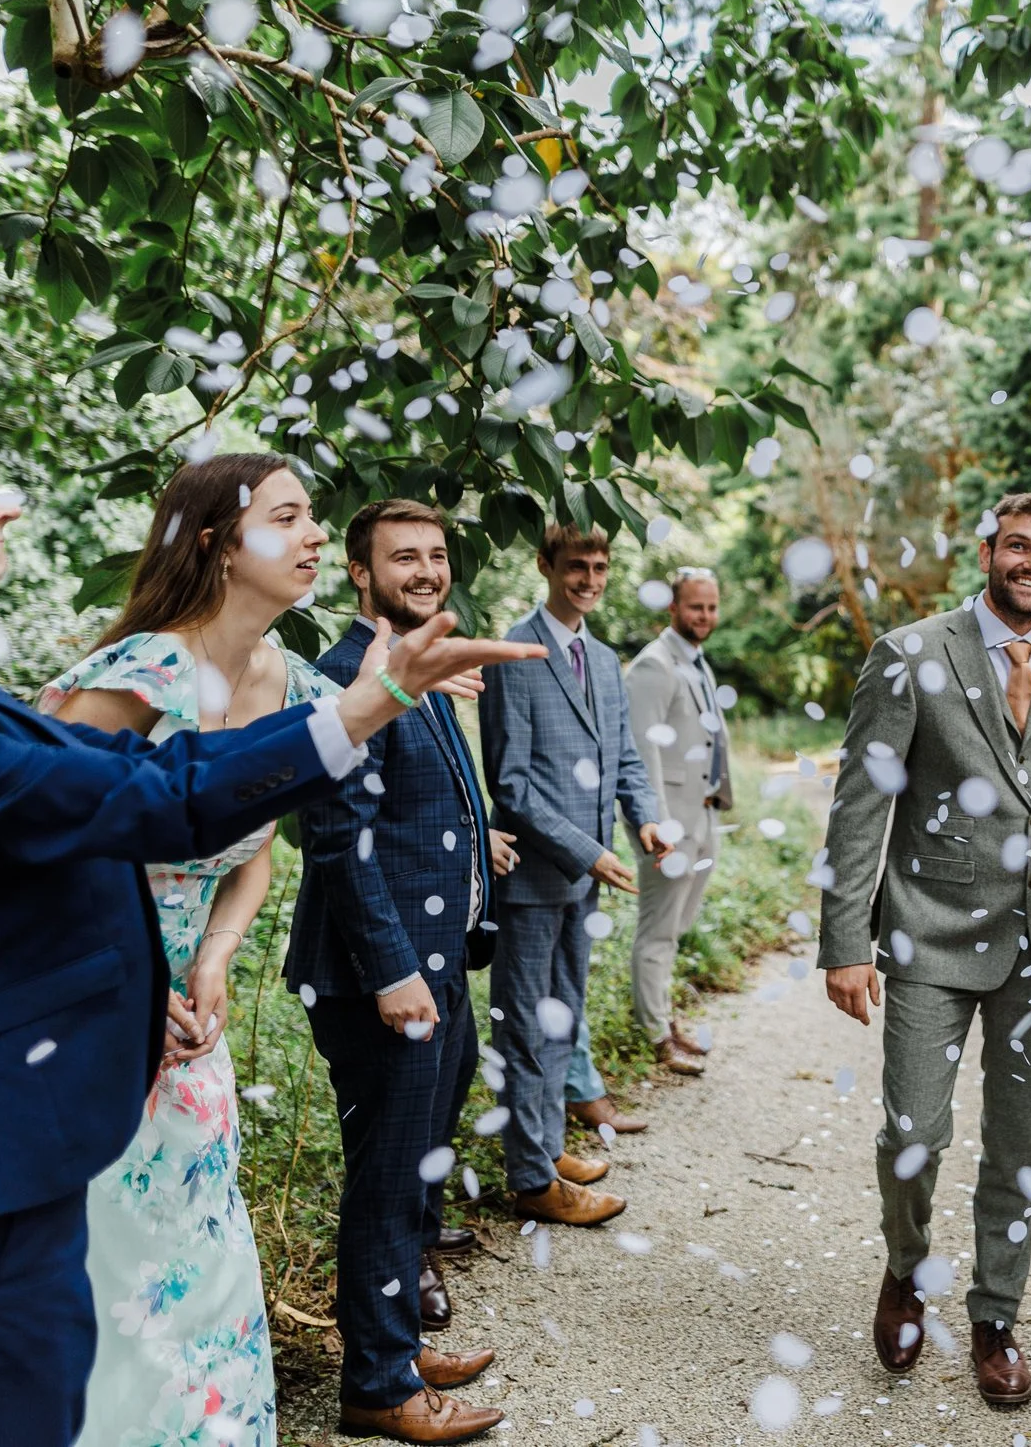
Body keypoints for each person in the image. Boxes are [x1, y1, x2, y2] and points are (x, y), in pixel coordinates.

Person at [0, 399, 535, 1447]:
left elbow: (109, 817)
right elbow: (139, 798)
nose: (4, 503)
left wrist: (196, 963)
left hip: (24, 1124)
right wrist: (364, 706)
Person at [33, 455, 348, 1446]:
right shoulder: (137, 677)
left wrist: (210, 960)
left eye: (315, 518)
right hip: (85, 1015)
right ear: (214, 541)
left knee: (206, 1280)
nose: (314, 536)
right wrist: (136, 977)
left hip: (192, 1040)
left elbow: (250, 854)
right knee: (108, 1285)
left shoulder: (294, 679)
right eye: (288, 516)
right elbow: (36, 844)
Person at [818, 493, 1031, 1409]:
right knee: (913, 1135)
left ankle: (995, 1315)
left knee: (1018, 1144)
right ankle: (905, 1265)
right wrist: (843, 939)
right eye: (1020, 546)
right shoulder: (910, 652)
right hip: (928, 928)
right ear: (987, 551)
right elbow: (861, 802)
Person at [291, 499, 518, 1444]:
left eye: (434, 556)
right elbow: (339, 840)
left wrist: (477, 836)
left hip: (435, 966)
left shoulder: (418, 666)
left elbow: (415, 807)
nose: (425, 571)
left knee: (410, 1173)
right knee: (385, 1182)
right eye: (403, 557)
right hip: (378, 978)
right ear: (358, 571)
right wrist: (391, 971)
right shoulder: (354, 674)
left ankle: (394, 1343)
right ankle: (380, 1387)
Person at [479, 523, 667, 1226]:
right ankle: (530, 1176)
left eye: (600, 565)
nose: (589, 577)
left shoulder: (606, 657)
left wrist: (643, 817)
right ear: (545, 564)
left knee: (564, 1019)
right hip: (533, 878)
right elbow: (513, 785)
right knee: (525, 1026)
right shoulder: (514, 654)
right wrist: (588, 850)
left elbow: (622, 758)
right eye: (576, 566)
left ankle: (546, 1146)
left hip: (584, 880)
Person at [623, 565, 735, 1076]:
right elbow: (640, 752)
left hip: (703, 815)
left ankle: (664, 1020)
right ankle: (655, 1035)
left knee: (678, 925)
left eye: (711, 607)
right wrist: (658, 826)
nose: (705, 616)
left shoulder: (696, 661)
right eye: (696, 607)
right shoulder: (654, 665)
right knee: (658, 930)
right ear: (673, 608)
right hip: (668, 824)